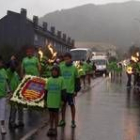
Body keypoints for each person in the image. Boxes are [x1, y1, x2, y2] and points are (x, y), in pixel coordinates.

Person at [58, 53, 80, 128]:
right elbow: (58, 78)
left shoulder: (74, 68)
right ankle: (63, 120)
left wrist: (76, 90)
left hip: (71, 91)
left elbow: (77, 80)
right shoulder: (61, 67)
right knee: (63, 106)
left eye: (68, 59)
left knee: (72, 106)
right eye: (65, 59)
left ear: (71, 59)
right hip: (63, 91)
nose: (66, 60)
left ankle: (73, 121)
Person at [45, 66, 66, 136]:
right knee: (50, 116)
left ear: (58, 72)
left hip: (57, 101)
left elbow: (63, 91)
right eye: (52, 71)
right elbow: (46, 91)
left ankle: (55, 128)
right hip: (50, 101)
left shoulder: (61, 79)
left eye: (55, 71)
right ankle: (50, 127)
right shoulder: (49, 79)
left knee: (56, 115)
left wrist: (63, 100)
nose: (54, 72)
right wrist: (45, 101)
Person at [7, 61, 24, 129]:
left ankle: (20, 121)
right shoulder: (9, 72)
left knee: (20, 108)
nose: (15, 67)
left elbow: (18, 81)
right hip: (12, 92)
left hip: (18, 92)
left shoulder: (15, 73)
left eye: (15, 65)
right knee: (13, 108)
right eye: (13, 65)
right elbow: (11, 69)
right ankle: (12, 123)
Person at [0, 56, 9, 134]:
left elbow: (6, 81)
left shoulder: (3, 71)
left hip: (2, 95)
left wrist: (9, 90)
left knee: (2, 111)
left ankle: (2, 126)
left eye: (0, 62)